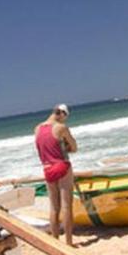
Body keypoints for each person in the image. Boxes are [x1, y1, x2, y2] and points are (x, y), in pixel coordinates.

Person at [35, 104, 78, 247]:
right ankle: (69, 243)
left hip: (47, 168)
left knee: (53, 208)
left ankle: (55, 243)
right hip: (62, 166)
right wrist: (67, 147)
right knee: (67, 206)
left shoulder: (37, 129)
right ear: (62, 114)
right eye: (65, 118)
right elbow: (74, 147)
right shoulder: (61, 128)